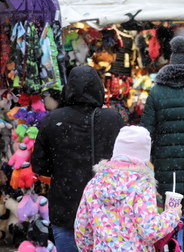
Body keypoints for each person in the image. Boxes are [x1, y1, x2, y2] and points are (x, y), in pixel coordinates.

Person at [32, 65, 125, 252]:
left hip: (66, 207)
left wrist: (61, 170)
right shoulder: (113, 119)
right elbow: (125, 162)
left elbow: (39, 165)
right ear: (99, 88)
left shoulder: (53, 119)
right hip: (106, 209)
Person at [141, 36, 184, 252]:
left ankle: (172, 248)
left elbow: (146, 132)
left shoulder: (157, 91)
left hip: (168, 169)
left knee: (169, 217)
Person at [74, 126, 182, 251]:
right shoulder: (142, 185)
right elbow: (149, 231)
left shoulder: (94, 183)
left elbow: (82, 232)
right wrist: (173, 214)